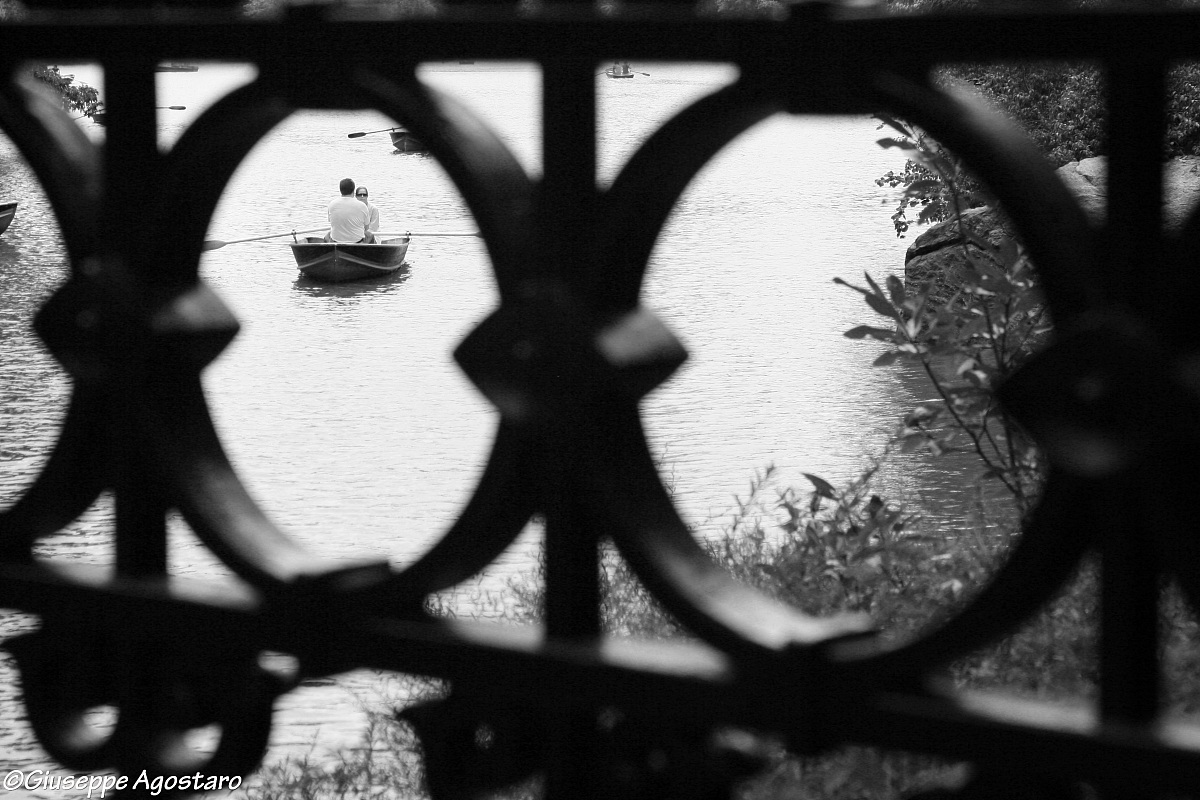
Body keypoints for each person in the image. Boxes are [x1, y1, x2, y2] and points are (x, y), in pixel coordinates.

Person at [326, 177, 372, 243]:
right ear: (353, 190)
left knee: (327, 235)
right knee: (370, 235)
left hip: (336, 241)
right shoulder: (362, 206)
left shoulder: (331, 204)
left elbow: (331, 222)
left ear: (340, 190)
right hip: (357, 242)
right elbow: (366, 227)